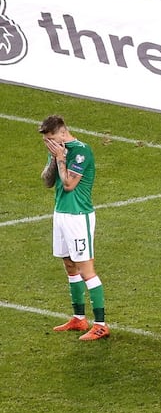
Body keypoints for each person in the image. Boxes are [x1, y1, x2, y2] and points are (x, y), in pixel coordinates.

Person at [39, 115, 110, 342]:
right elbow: (47, 181)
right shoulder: (57, 150)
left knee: (86, 269)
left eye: (51, 138)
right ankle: (79, 318)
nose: (48, 143)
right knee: (69, 265)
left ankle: (100, 324)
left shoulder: (81, 151)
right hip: (60, 214)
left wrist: (61, 158)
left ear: (62, 132)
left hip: (79, 216)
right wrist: (53, 158)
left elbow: (69, 184)